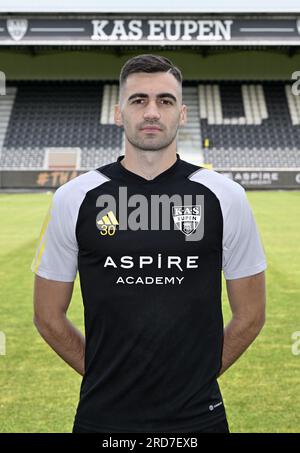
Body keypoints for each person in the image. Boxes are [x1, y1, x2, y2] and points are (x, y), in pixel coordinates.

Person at [31, 54, 266, 433]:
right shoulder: (74, 197)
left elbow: (251, 314)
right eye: (139, 100)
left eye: (165, 101)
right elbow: (47, 314)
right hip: (103, 417)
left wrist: (196, 379)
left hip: (198, 418)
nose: (152, 111)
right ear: (119, 112)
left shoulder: (226, 197)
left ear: (183, 114)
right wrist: (103, 373)